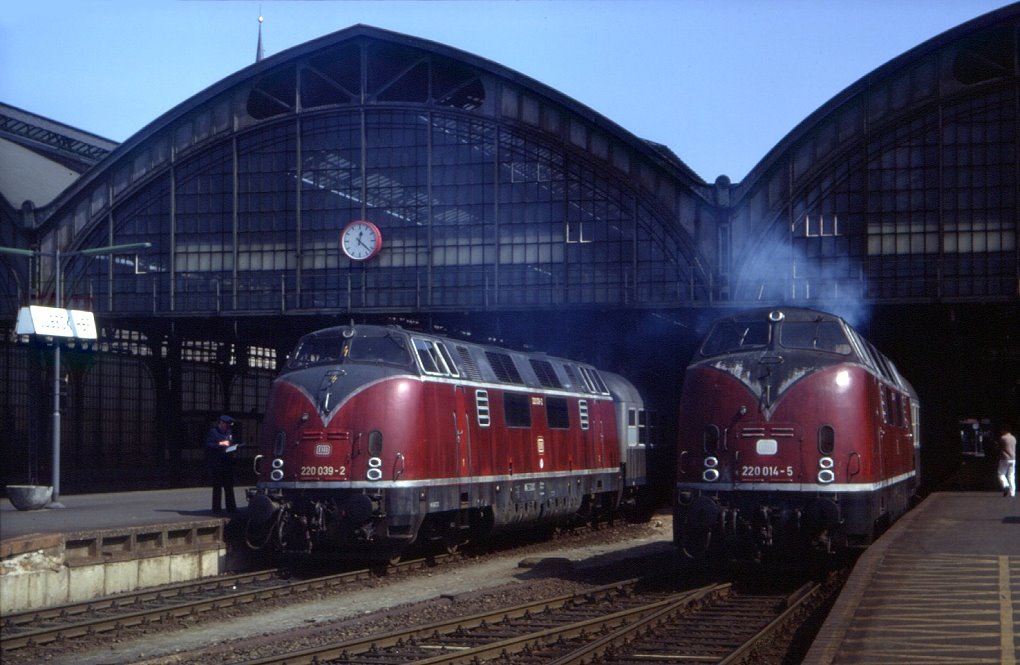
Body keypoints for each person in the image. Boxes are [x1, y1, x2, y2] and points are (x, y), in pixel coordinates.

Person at [205, 414, 237, 513]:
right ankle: (216, 508)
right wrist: (220, 444)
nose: (227, 427)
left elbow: (231, 441)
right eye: (226, 424)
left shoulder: (229, 432)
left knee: (229, 486)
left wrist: (233, 446)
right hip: (217, 463)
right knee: (217, 486)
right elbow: (208, 444)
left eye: (229, 425)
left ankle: (231, 508)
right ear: (221, 423)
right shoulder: (213, 432)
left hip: (227, 462)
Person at [997, 423, 1016, 498]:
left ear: (1005, 430)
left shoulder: (1003, 438)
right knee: (1011, 475)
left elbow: (999, 447)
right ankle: (1012, 492)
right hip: (1013, 458)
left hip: (1004, 458)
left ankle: (1005, 485)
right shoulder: (1013, 438)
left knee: (1001, 474)